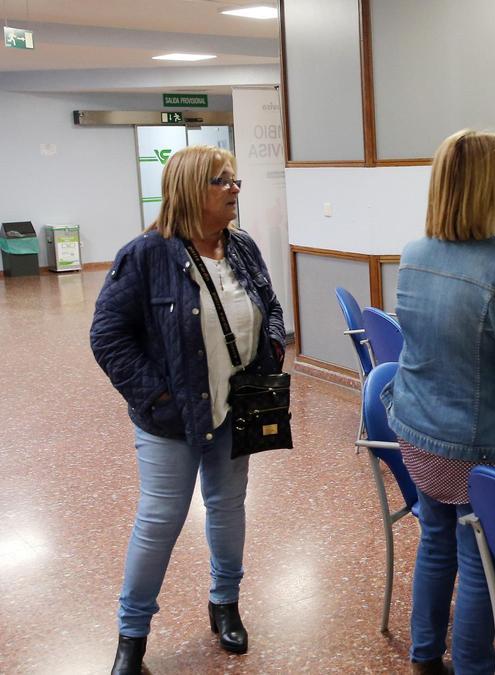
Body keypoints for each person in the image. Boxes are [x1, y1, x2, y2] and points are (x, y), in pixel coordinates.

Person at [91, 145, 286, 674]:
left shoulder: (242, 247)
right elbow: (108, 337)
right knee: (159, 519)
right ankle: (132, 636)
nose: (235, 190)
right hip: (171, 420)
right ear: (190, 190)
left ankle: (225, 602)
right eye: (222, 181)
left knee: (226, 507)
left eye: (235, 180)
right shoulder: (147, 254)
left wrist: (270, 349)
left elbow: (270, 306)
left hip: (235, 408)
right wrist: (158, 398)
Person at [383, 129, 495, 675]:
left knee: (435, 540)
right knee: (482, 562)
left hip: (419, 435)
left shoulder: (413, 255)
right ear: (487, 191)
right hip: (482, 449)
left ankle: (424, 656)